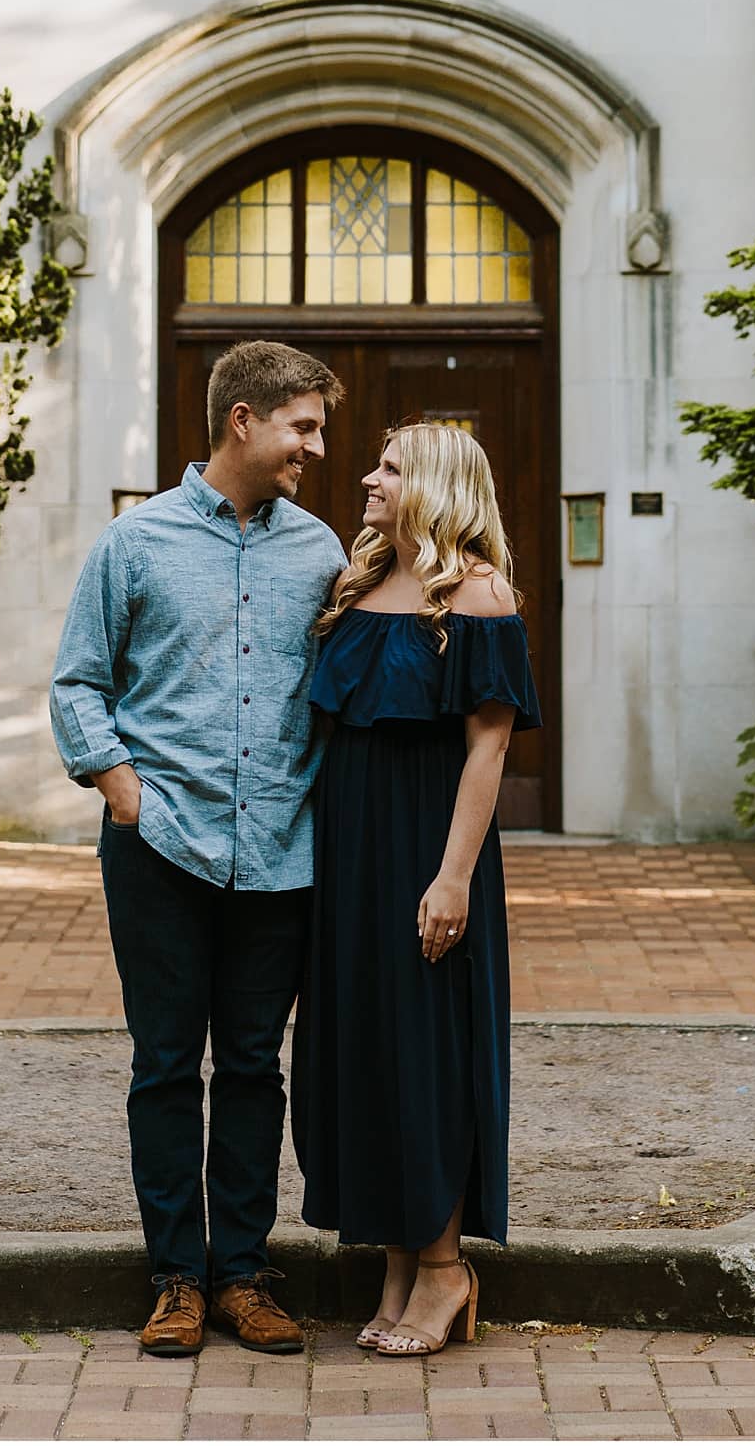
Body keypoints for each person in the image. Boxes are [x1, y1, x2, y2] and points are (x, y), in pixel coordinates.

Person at [49, 340, 347, 1358]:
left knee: (257, 1064)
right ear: (243, 421)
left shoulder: (321, 551)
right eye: (303, 425)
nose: (316, 445)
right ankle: (175, 1276)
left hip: (280, 849)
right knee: (168, 1063)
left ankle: (245, 1274)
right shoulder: (134, 544)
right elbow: (78, 681)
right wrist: (121, 789)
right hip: (159, 844)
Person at [292, 422, 540, 1355]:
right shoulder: (360, 583)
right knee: (367, 1047)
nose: (366, 475)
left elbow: (490, 745)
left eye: (388, 468)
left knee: (425, 1051)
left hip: (428, 851)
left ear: (433, 482)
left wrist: (452, 877)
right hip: (350, 853)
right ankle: (398, 1261)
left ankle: (445, 1270)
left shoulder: (478, 592)